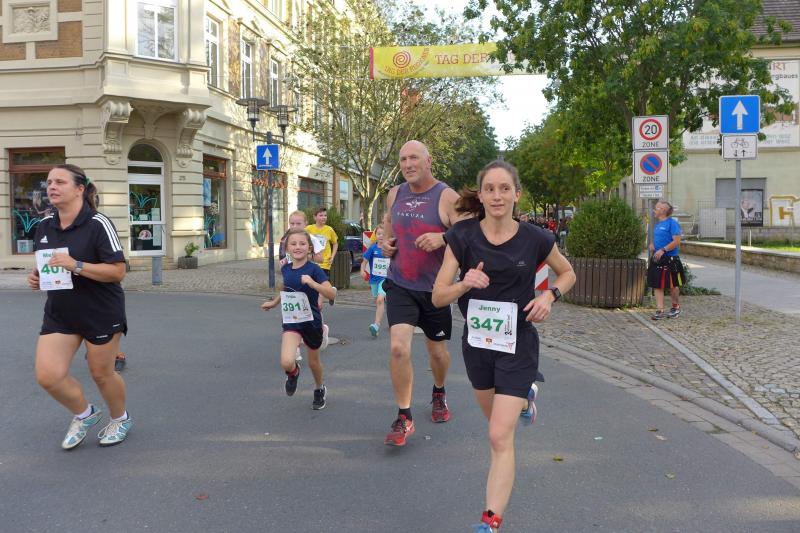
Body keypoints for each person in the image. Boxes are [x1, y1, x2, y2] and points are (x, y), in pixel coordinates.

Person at [431, 160, 575, 532]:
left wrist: (549, 296)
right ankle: (526, 398)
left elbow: (567, 272)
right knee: (497, 424)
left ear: (516, 194)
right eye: (490, 189)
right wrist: (465, 283)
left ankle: (490, 520)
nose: (497, 195)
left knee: (498, 435)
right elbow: (438, 296)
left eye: (504, 188)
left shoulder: (535, 238)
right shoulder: (462, 237)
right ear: (481, 196)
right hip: (477, 345)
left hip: (518, 343)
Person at [27, 164, 132, 449]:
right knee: (48, 376)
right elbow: (49, 264)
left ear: (80, 189)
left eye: (60, 182)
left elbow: (118, 271)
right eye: (49, 182)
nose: (52, 187)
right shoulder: (44, 225)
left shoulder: (98, 223)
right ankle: (85, 414)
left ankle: (120, 418)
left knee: (102, 373)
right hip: (60, 312)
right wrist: (37, 277)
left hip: (100, 311)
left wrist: (77, 265)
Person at [380, 140, 466, 446]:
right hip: (400, 283)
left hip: (435, 290)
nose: (407, 164)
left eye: (414, 158)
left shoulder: (447, 196)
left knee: (437, 353)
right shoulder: (395, 193)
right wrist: (385, 242)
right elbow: (388, 224)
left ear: (429, 161)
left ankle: (439, 391)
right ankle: (404, 416)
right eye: (403, 159)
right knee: (398, 348)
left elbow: (468, 234)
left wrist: (444, 238)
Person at [260, 228, 337, 410]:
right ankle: (293, 373)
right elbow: (286, 288)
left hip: (311, 322)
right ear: (287, 248)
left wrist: (312, 283)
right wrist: (274, 302)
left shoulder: (314, 269)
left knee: (313, 363)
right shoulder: (286, 268)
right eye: (293, 244)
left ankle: (319, 388)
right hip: (292, 321)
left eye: (302, 244)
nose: (298, 247)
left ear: (309, 248)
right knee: (286, 361)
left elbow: (331, 293)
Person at [306, 207, 338, 346]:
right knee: (312, 294)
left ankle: (324, 299)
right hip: (312, 263)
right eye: (321, 215)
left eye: (325, 215)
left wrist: (332, 256)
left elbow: (335, 243)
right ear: (315, 217)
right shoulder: (309, 229)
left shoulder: (329, 230)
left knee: (318, 301)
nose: (323, 217)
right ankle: (331, 292)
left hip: (324, 264)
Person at [648, 199, 684, 320]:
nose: (654, 210)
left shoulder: (672, 223)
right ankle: (660, 310)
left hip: (671, 259)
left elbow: (677, 241)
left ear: (663, 211)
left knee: (673, 285)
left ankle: (675, 307)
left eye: (656, 208)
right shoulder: (658, 225)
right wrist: (653, 244)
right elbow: (658, 239)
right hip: (658, 259)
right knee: (657, 285)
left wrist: (663, 250)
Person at [361, 224, 388, 337]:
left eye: (383, 234)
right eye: (379, 234)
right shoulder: (372, 248)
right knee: (378, 300)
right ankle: (376, 328)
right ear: (375, 235)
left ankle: (376, 325)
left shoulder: (389, 248)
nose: (381, 236)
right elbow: (364, 262)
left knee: (380, 300)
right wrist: (362, 271)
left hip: (386, 279)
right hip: (374, 279)